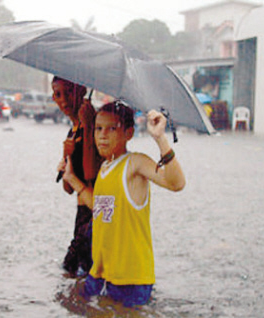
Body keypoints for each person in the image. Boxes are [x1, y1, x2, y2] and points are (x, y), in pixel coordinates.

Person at [58, 101, 185, 307]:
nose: (102, 135)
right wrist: (71, 178)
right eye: (98, 128)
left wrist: (160, 139)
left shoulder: (135, 163)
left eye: (111, 129)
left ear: (128, 133)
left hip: (130, 279)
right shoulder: (105, 168)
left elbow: (176, 183)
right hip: (101, 274)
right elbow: (100, 209)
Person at [52, 76, 102, 277]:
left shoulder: (97, 125)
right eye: (57, 94)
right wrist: (66, 156)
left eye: (68, 93)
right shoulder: (71, 132)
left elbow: (92, 174)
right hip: (81, 217)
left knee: (84, 276)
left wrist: (89, 127)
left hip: (95, 215)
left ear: (81, 91)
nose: (63, 100)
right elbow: (68, 188)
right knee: (73, 277)